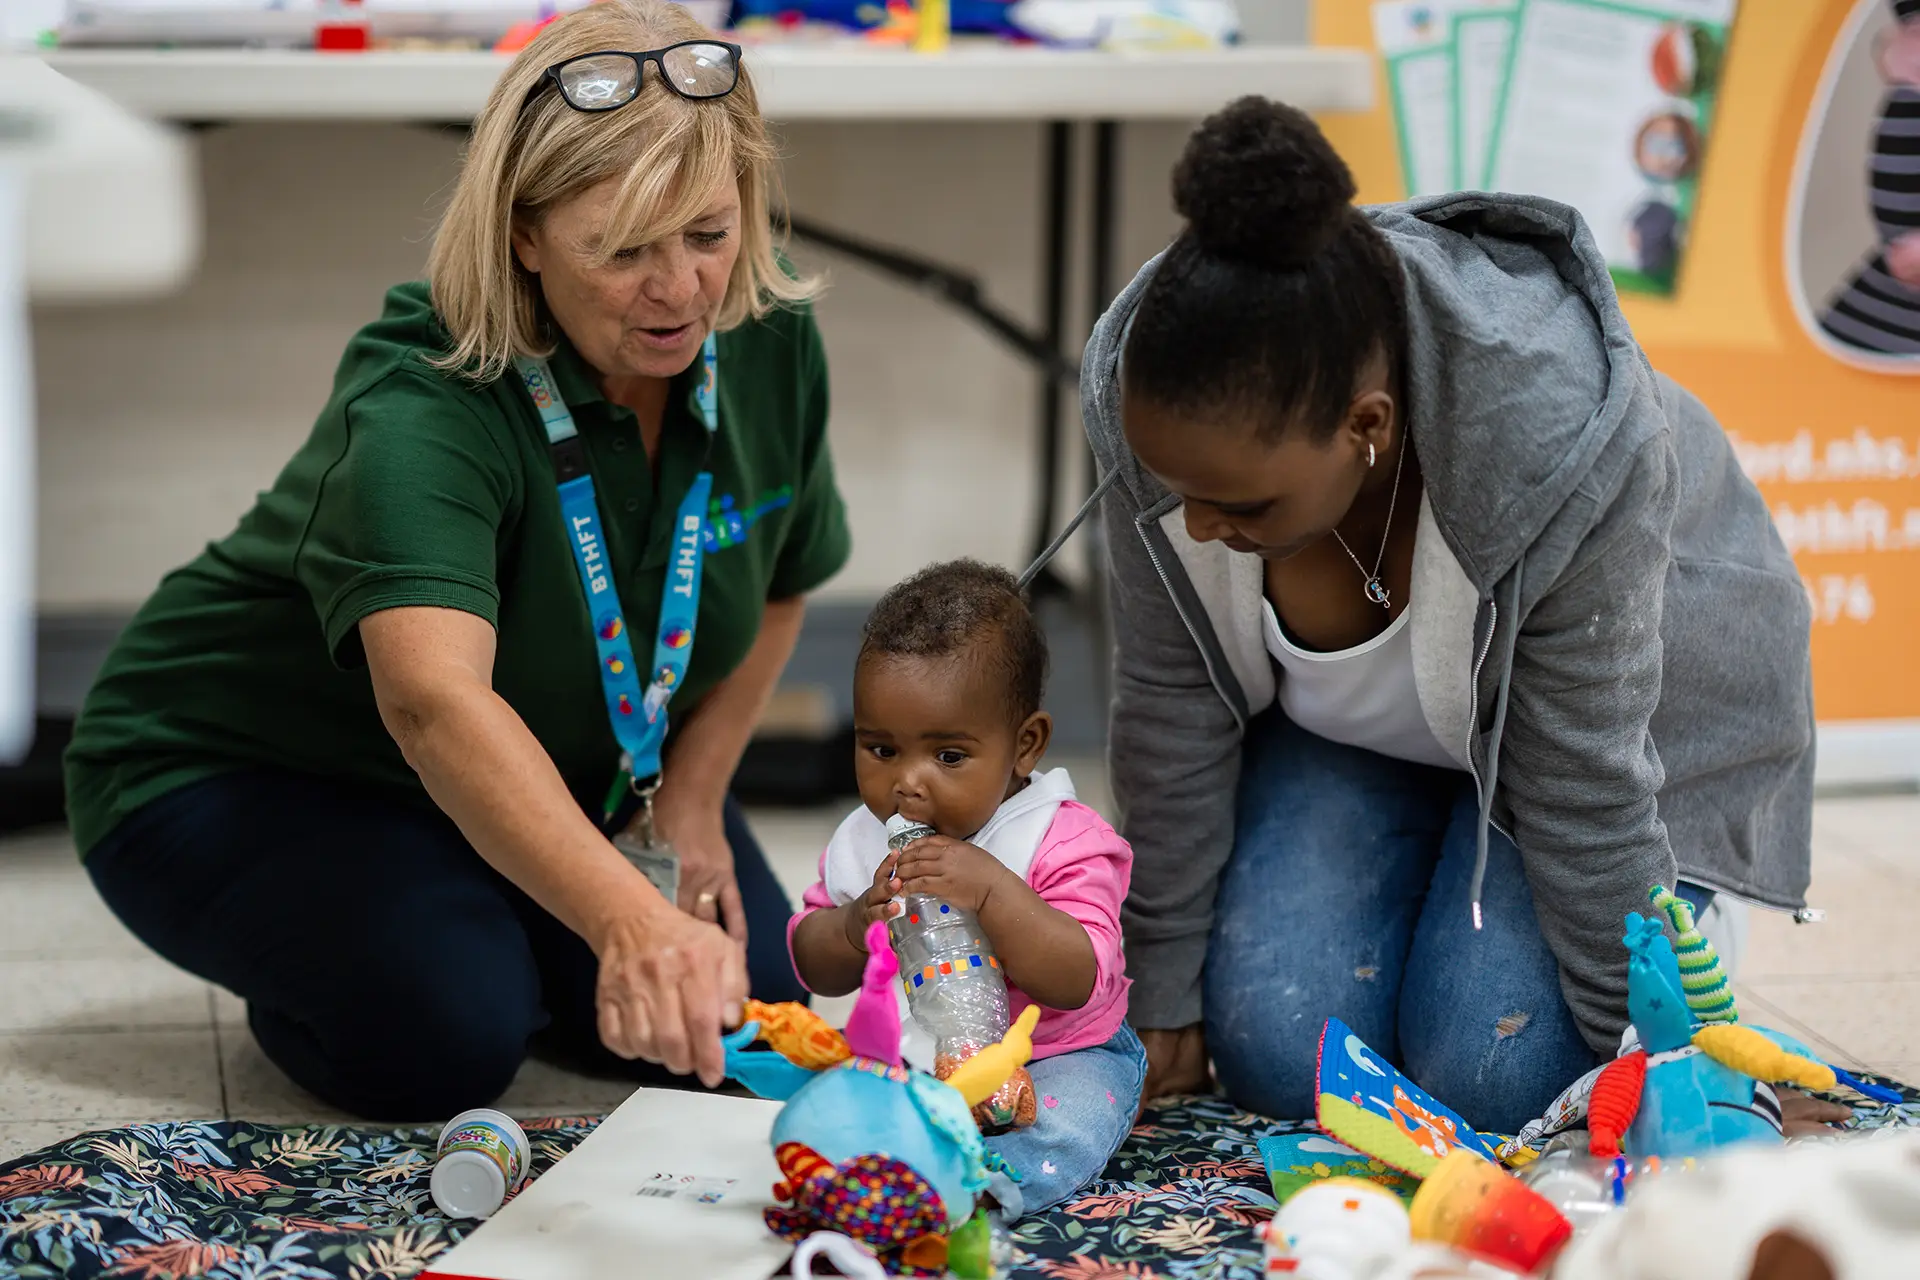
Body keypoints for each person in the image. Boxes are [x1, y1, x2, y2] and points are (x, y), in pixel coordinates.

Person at [63, 0, 849, 1120]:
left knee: (744, 1005)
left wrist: (691, 799)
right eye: (624, 249)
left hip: (560, 762)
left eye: (709, 233)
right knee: (449, 1026)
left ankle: (474, 897)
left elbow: (780, 582)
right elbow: (433, 705)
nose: (680, 289)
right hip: (240, 772)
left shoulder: (764, 333)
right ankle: (352, 945)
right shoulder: (422, 398)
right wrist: (624, 916)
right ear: (524, 234)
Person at [1081, 98, 1821, 1134]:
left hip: (1616, 749)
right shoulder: (1157, 392)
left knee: (1500, 1075)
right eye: (1180, 492)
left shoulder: (1553, 443)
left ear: (1366, 427)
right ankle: (1435, 855)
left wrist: (1663, 1054)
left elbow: (1587, 783)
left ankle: (1681, 904)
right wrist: (1158, 984)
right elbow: (1169, 702)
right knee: (1281, 1053)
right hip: (1372, 732)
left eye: (1241, 506)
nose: (1194, 526)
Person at [788, 560, 1144, 1217]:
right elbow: (812, 960)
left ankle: (981, 1186)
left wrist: (994, 892)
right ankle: (886, 1164)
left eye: (948, 756)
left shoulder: (1061, 838)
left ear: (1025, 745)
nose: (908, 783)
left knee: (1070, 1119)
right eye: (880, 749)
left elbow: (1078, 978)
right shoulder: (865, 840)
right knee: (821, 1102)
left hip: (1054, 1057)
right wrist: (851, 927)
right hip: (912, 1055)